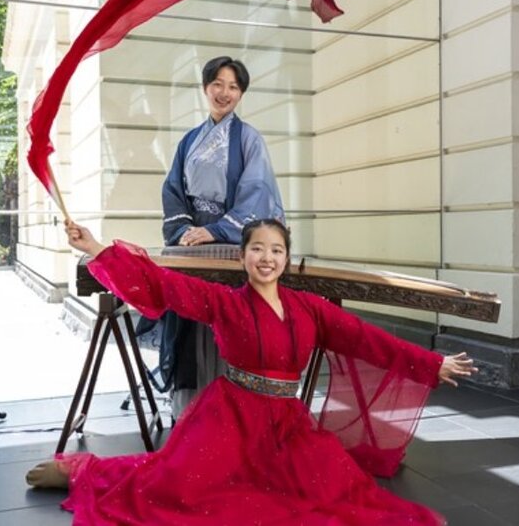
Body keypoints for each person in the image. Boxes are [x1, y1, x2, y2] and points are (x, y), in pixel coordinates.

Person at [26, 218, 477, 525]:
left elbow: (364, 336)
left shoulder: (310, 309)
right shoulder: (225, 302)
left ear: (286, 258)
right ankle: (83, 472)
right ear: (243, 257)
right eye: (257, 249)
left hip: (287, 425)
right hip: (229, 419)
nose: (267, 258)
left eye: (276, 250)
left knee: (335, 494)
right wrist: (98, 248)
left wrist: (432, 363)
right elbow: (165, 285)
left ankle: (81, 471)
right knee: (172, 489)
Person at [148, 56, 285, 418]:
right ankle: (193, 408)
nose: (225, 93)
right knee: (191, 320)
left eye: (234, 87)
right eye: (218, 84)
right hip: (192, 240)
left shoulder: (249, 139)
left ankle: (233, 410)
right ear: (206, 87)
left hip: (229, 243)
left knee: (226, 321)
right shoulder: (190, 140)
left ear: (241, 94)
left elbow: (257, 193)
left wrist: (214, 229)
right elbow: (173, 189)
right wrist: (182, 232)